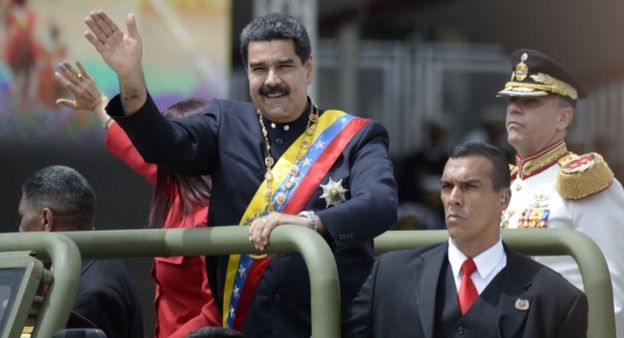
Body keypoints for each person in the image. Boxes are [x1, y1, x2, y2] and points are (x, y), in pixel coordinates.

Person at [83, 10, 397, 337]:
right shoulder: (225, 122)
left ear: (308, 68)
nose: (271, 79)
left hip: (333, 326)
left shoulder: (357, 136)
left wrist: (308, 224)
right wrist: (131, 79)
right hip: (248, 327)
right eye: (258, 69)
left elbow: (381, 205)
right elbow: (165, 147)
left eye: (284, 66)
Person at [345, 142, 588, 338]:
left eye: (470, 187)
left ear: (503, 199)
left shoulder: (555, 300)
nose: (454, 198)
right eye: (446, 186)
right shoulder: (388, 276)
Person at [54, 61, 221, 338]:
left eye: (173, 139)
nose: (162, 145)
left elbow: (215, 313)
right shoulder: (176, 184)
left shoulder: (213, 214)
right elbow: (136, 149)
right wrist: (99, 104)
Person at [497, 48, 624, 337]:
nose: (514, 108)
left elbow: (612, 297)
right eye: (511, 100)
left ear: (563, 118)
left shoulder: (584, 180)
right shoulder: (502, 182)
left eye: (529, 102)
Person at [18, 165, 144, 338]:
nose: (19, 229)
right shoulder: (100, 264)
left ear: (46, 220)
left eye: (22, 216)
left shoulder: (90, 294)